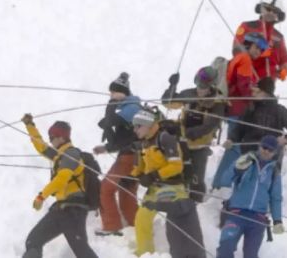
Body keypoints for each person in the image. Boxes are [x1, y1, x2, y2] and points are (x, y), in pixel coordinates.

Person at [21, 114, 98, 258]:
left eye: (52, 137)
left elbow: (61, 179)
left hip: (74, 211)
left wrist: (41, 196)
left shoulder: (71, 154)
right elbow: (41, 146)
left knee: (82, 251)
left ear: (61, 137)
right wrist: (30, 125)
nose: (50, 141)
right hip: (60, 210)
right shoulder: (59, 156)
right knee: (33, 241)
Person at [130, 109, 204, 258]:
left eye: (138, 126)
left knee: (176, 223)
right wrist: (135, 175)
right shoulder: (145, 142)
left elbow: (176, 166)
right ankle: (145, 253)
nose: (134, 129)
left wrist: (153, 176)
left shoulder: (165, 138)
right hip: (155, 187)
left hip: (173, 187)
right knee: (142, 218)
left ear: (147, 125)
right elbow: (143, 166)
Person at [211, 32, 268, 190]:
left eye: (261, 50)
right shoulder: (245, 60)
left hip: (232, 108)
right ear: (249, 43)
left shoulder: (238, 58)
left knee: (236, 145)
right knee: (235, 146)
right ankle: (221, 183)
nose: (258, 52)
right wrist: (256, 95)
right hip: (237, 109)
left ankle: (221, 182)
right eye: (257, 47)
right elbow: (243, 87)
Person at [161, 65, 225, 202]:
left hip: (199, 147)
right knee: (179, 173)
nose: (200, 90)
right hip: (183, 143)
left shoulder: (217, 102)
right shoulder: (190, 94)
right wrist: (172, 86)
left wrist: (185, 132)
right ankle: (178, 200)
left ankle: (196, 203)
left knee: (196, 178)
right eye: (198, 86)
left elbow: (209, 126)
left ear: (212, 86)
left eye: (203, 87)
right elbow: (167, 102)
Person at [216, 135, 284, 258]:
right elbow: (224, 180)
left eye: (270, 150)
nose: (266, 151)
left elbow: (276, 198)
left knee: (251, 255)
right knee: (225, 247)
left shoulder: (274, 171)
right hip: (236, 213)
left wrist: (277, 220)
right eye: (264, 147)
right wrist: (236, 169)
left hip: (258, 219)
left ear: (274, 153)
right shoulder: (246, 160)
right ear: (259, 146)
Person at [92, 72, 141, 236]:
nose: (111, 95)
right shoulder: (130, 107)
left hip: (129, 157)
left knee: (105, 189)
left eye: (113, 92)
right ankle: (135, 226)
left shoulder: (131, 107)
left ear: (123, 92)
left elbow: (110, 121)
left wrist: (111, 104)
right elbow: (123, 139)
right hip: (135, 157)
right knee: (127, 191)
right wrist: (106, 148)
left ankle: (112, 226)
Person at [227, 77, 287, 155]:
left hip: (270, 154)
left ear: (266, 93)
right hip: (248, 153)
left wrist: (286, 139)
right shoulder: (250, 108)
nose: (253, 94)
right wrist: (231, 140)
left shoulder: (279, 110)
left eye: (257, 92)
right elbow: (239, 129)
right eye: (253, 91)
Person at [233, 0, 287, 81]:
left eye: (274, 11)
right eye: (268, 9)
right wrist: (258, 50)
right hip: (244, 78)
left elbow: (284, 58)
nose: (270, 13)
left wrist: (284, 70)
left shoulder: (279, 37)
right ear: (261, 9)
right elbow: (236, 48)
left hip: (267, 85)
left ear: (278, 15)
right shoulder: (247, 26)